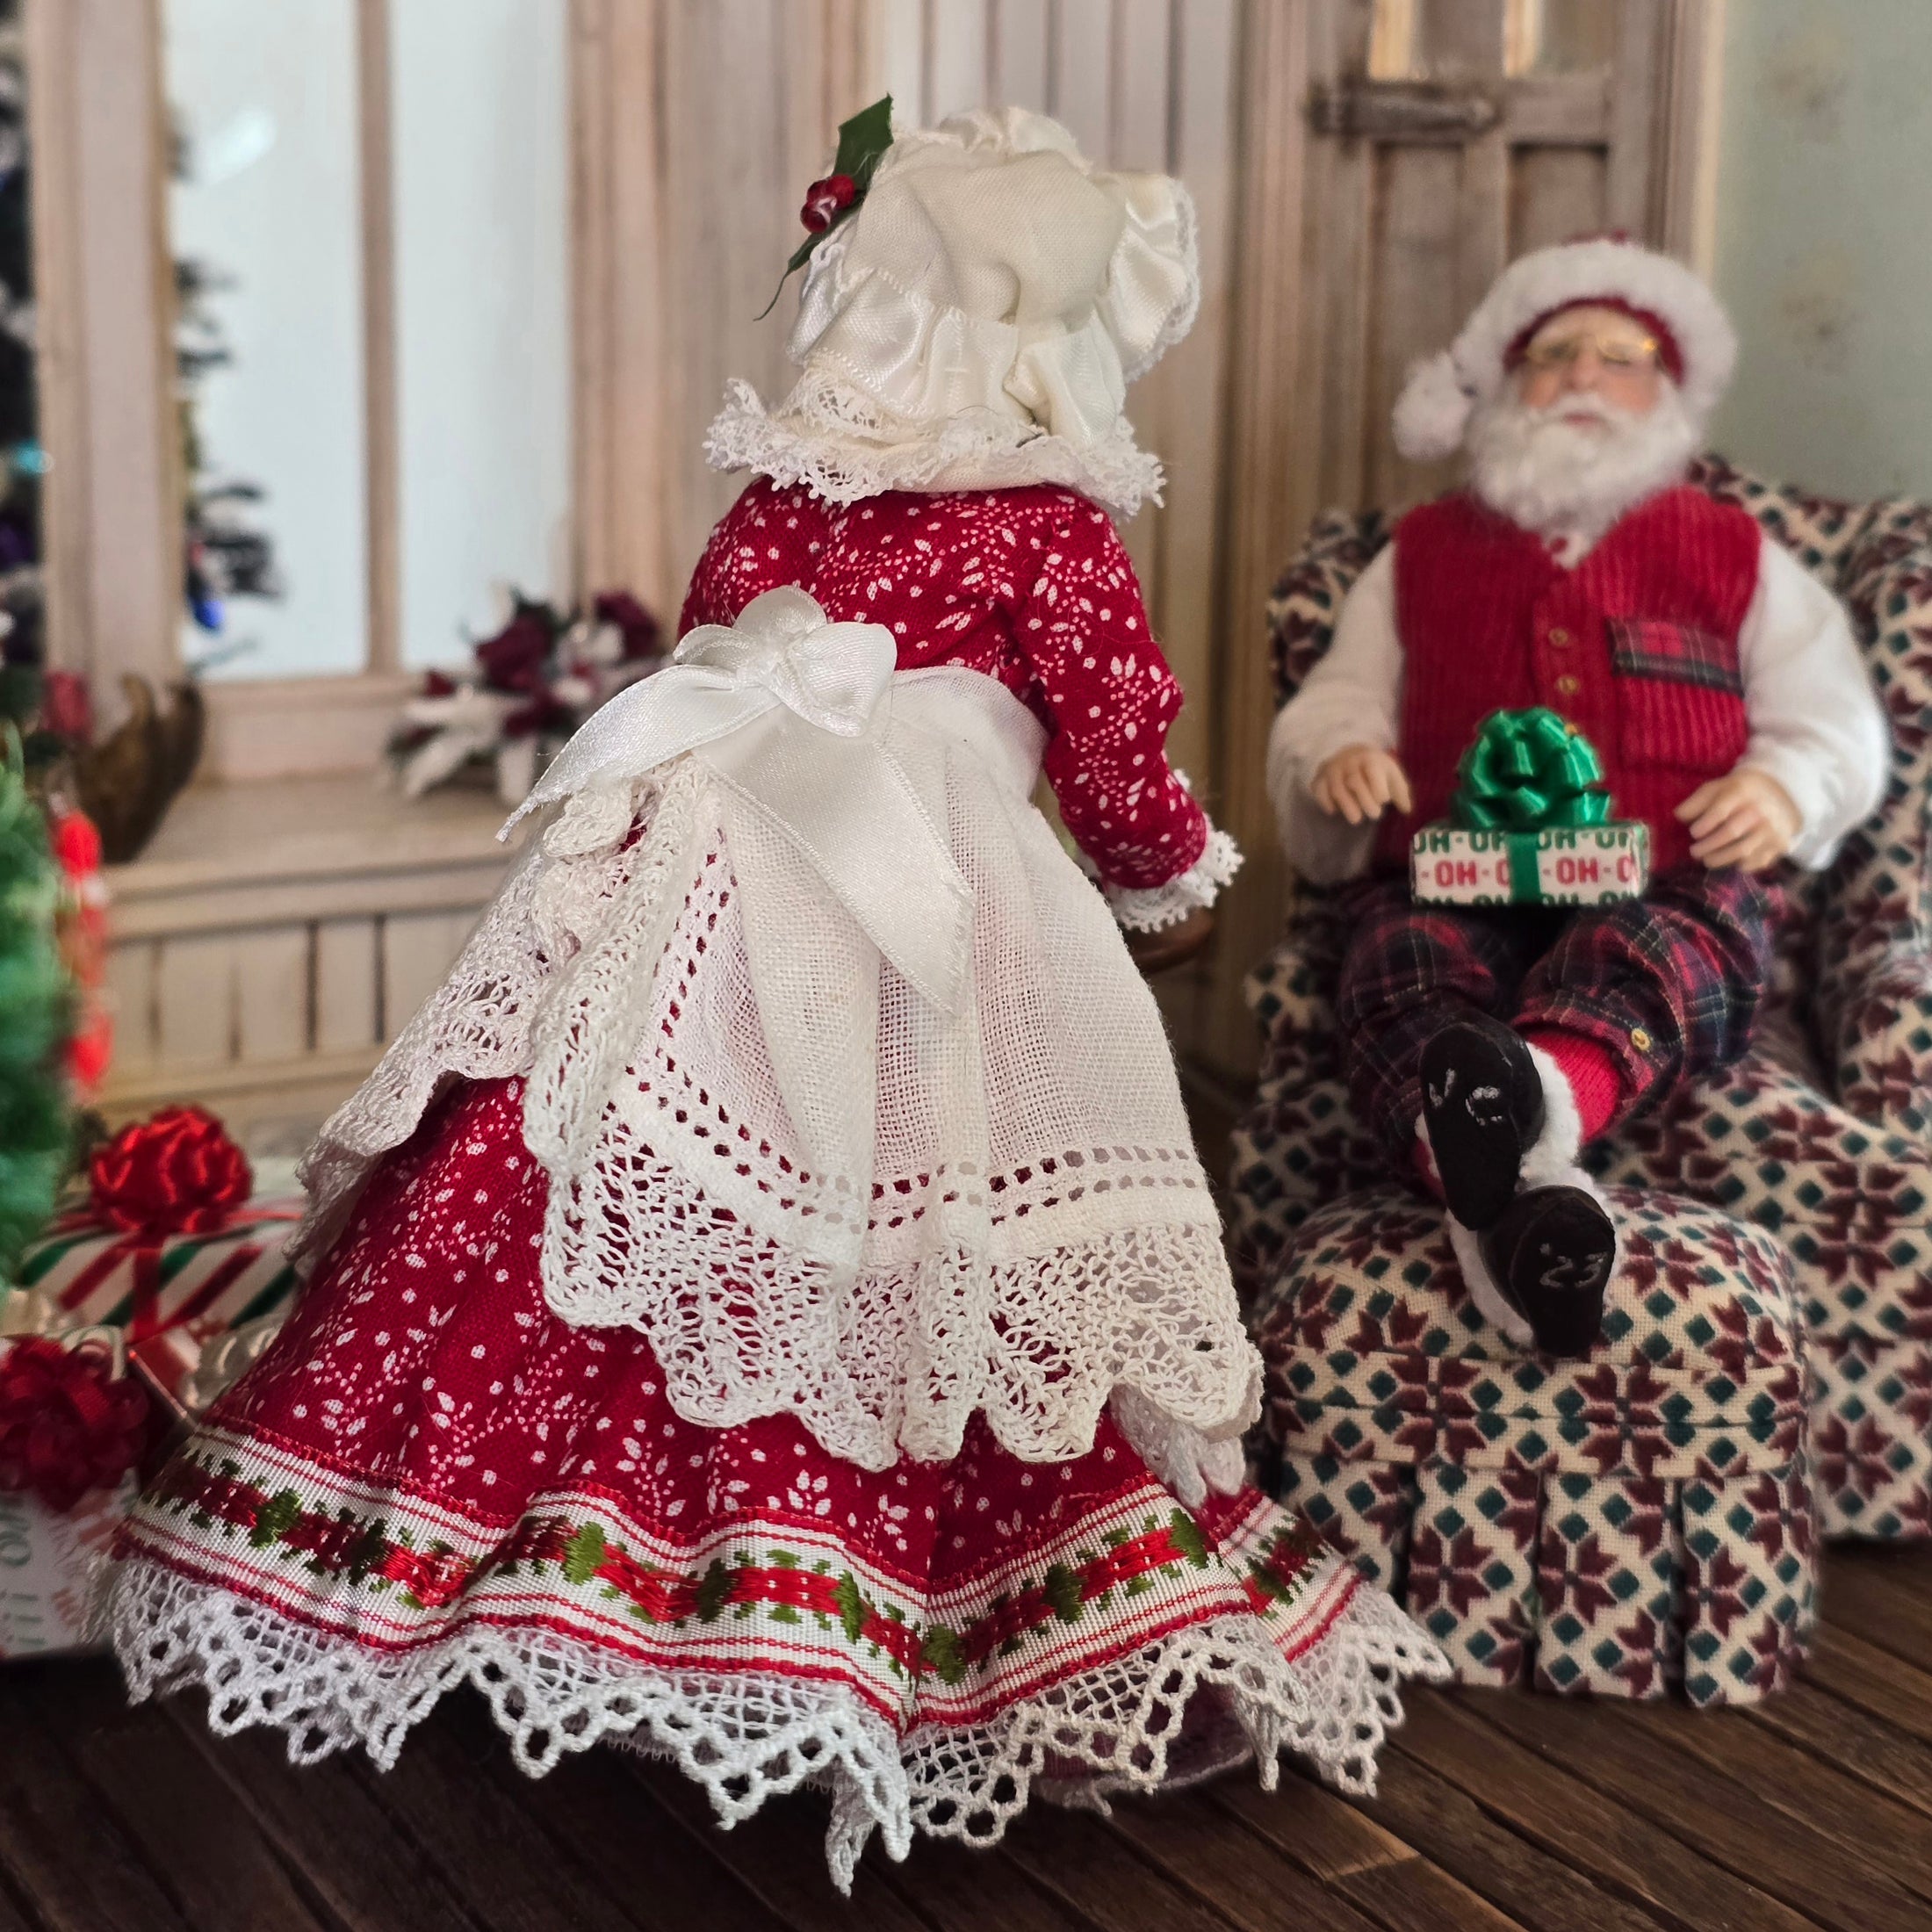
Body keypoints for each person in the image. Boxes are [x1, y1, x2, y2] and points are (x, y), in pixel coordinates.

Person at [105, 106, 1439, 1889]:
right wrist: (1161, 877)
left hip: (695, 874)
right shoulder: (1046, 533)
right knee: (913, 1244)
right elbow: (1119, 766)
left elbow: (703, 647)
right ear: (1034, 343)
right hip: (924, 916)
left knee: (587, 1175)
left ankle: (590, 1589)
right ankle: (851, 1617)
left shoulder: (777, 497)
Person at [1267, 234, 1889, 1359]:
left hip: (1662, 876)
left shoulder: (1730, 552)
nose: (1588, 378)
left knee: (1664, 947)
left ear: (1668, 393)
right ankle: (1526, 1200)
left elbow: (1830, 714)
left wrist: (1787, 782)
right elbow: (1338, 698)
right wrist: (1339, 753)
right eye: (1556, 354)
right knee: (1399, 970)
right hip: (1447, 874)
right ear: (1505, 388)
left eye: (1623, 356)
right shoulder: (1418, 552)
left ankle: (1540, 1092)